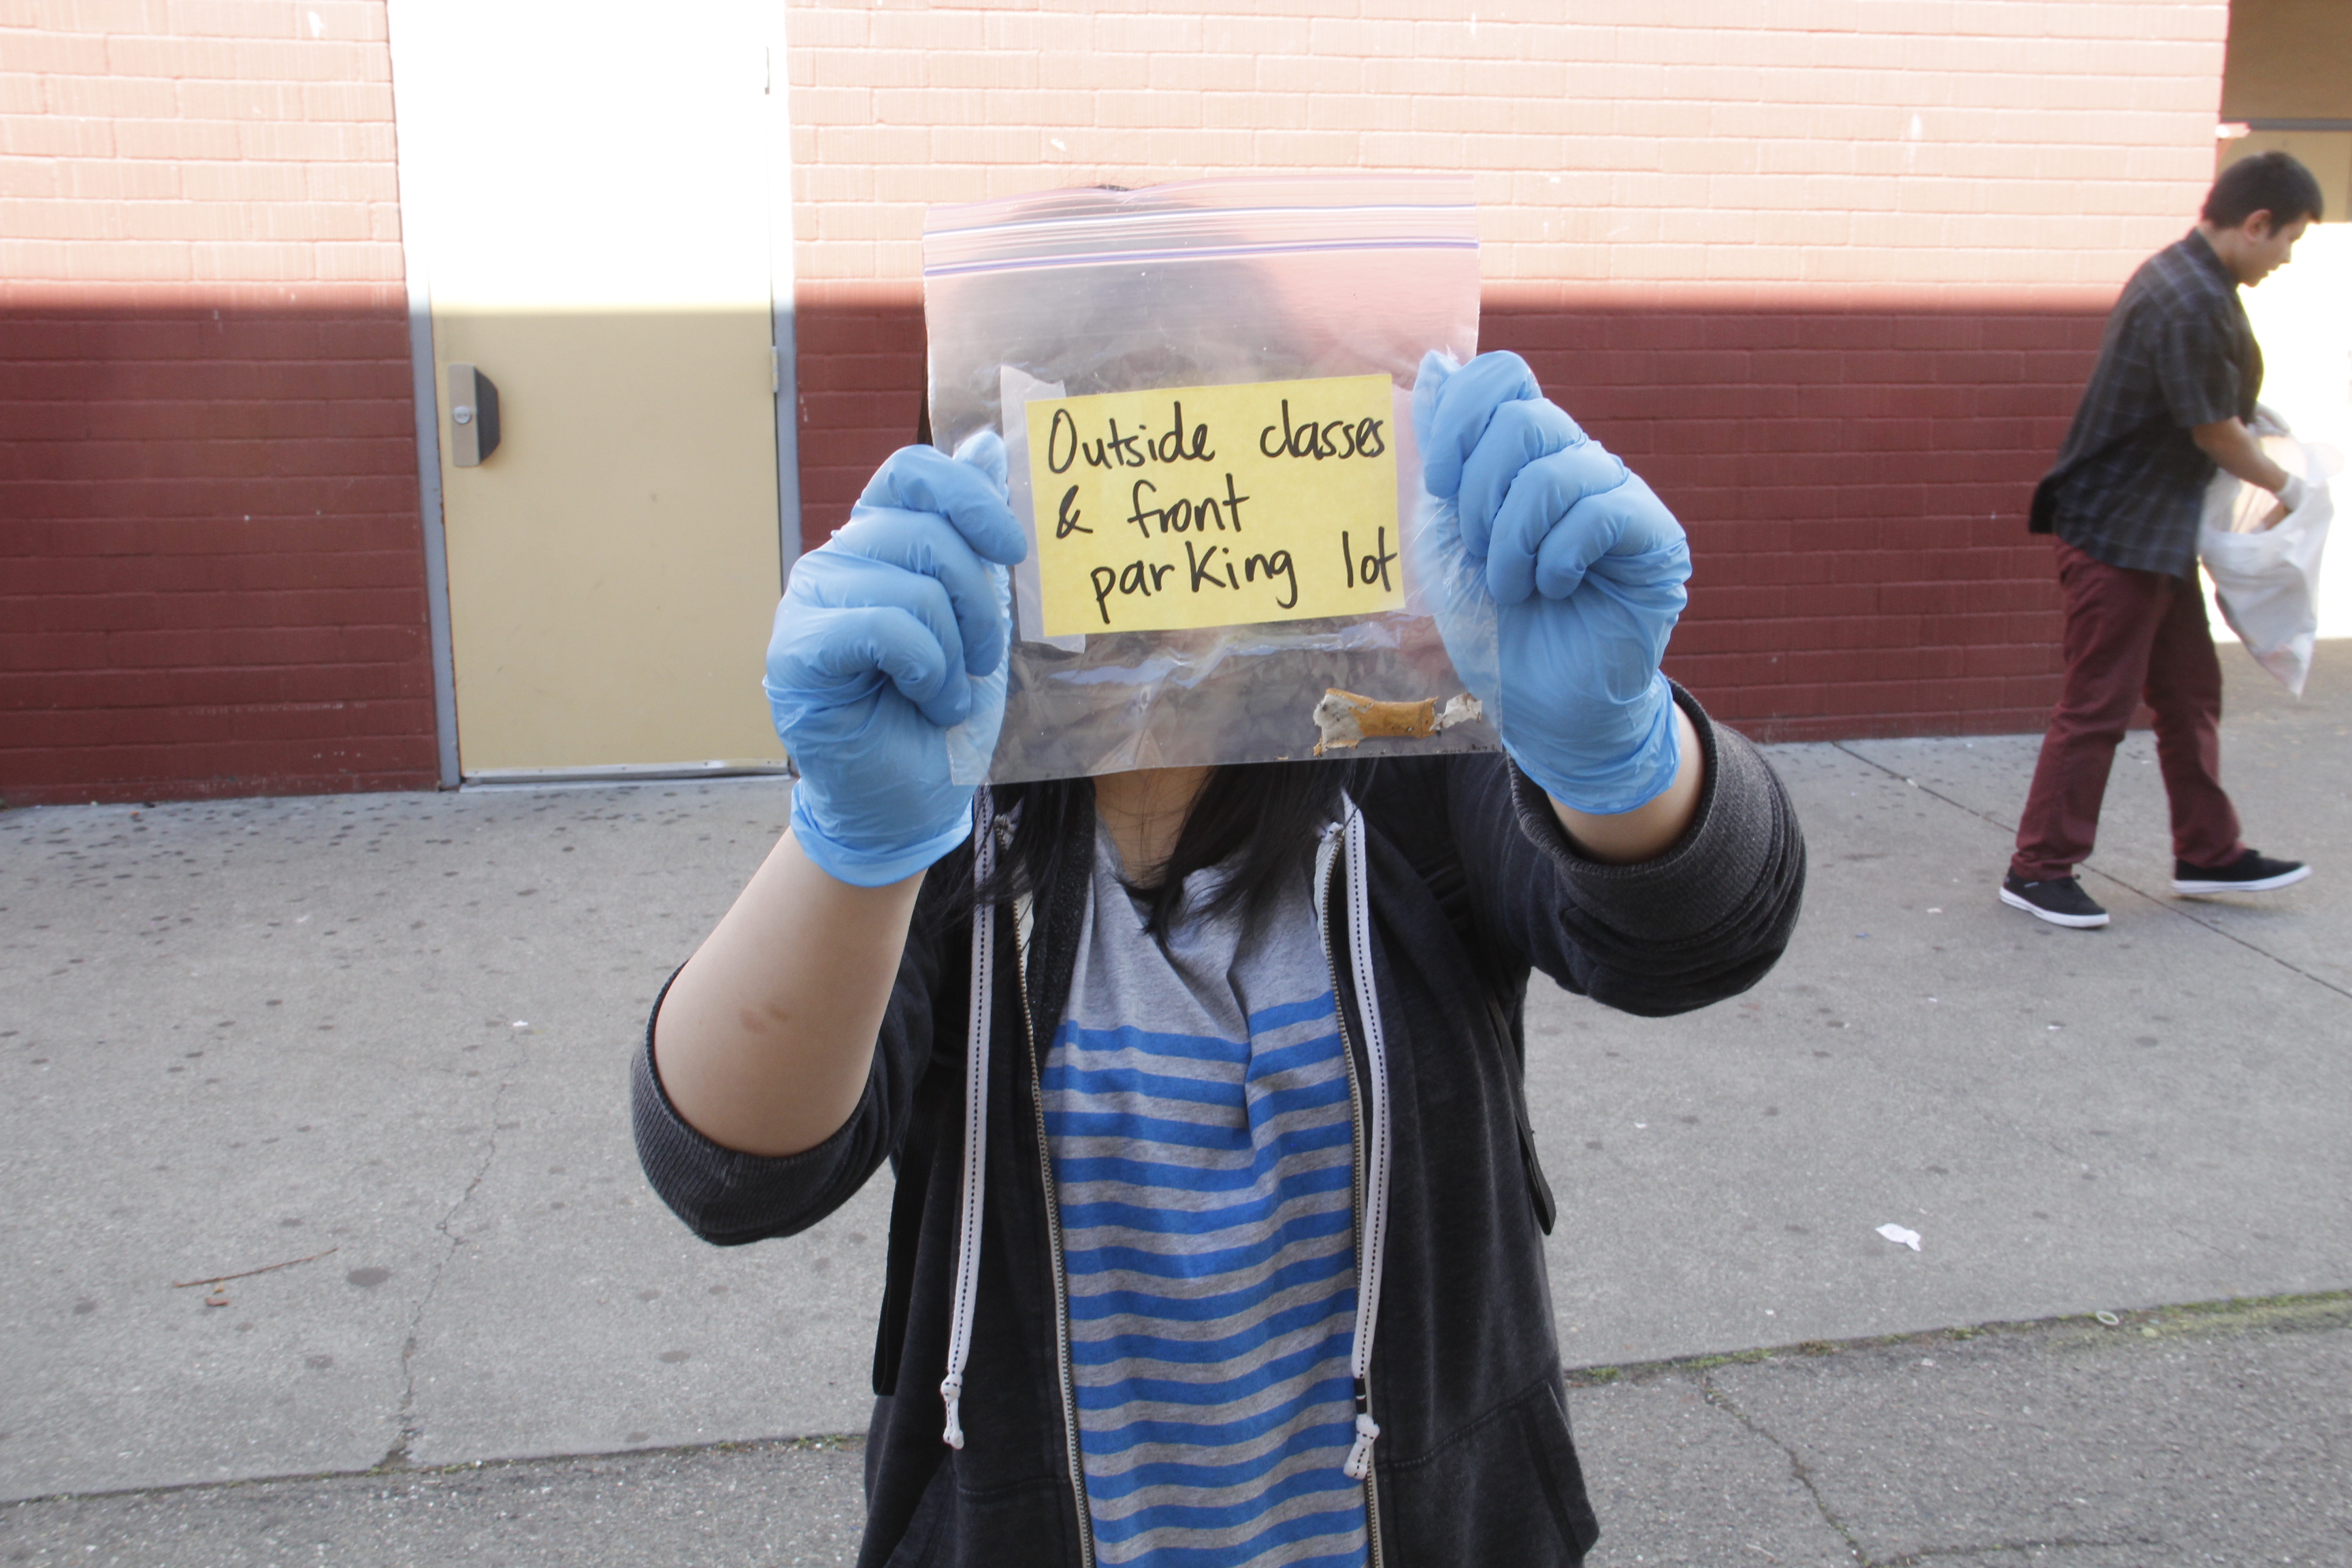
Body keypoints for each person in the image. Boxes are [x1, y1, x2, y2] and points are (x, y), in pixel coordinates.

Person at [632, 350, 1806, 1567]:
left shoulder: (1408, 740)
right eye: (1084, 425)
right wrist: (851, 844)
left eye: (1202, 410)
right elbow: (727, 1169)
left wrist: (1622, 752)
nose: (1159, 475)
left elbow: (1700, 933)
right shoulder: (937, 790)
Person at [2004, 150, 2326, 929]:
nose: (2288, 259)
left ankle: (2208, 851)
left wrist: (2258, 423)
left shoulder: (2191, 279)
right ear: (2256, 225)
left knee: (2188, 694)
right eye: (2289, 241)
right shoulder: (2188, 298)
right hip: (2117, 535)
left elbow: (2215, 407)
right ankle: (2038, 868)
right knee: (2097, 707)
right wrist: (2291, 488)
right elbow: (2213, 432)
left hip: (2150, 534)